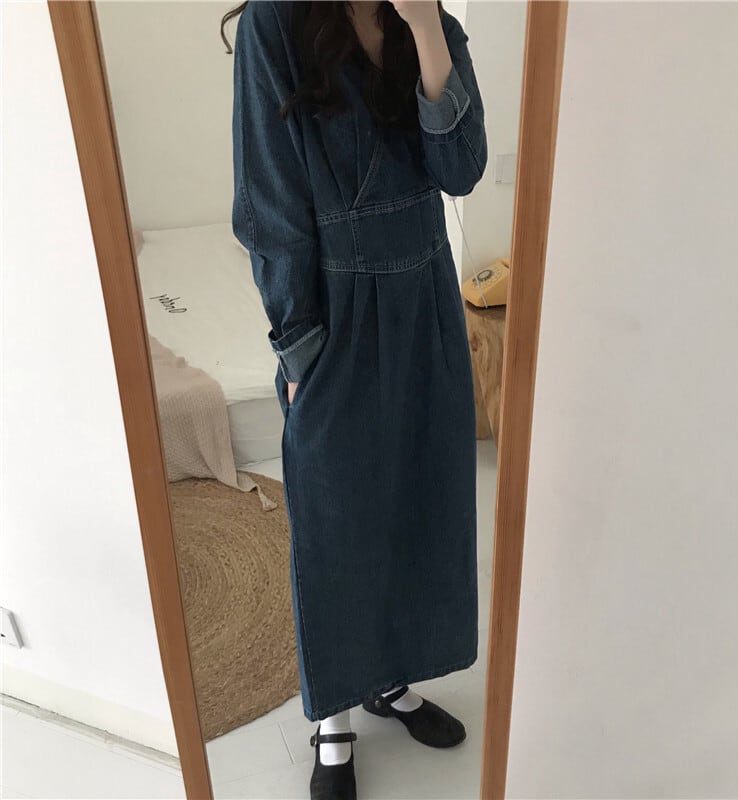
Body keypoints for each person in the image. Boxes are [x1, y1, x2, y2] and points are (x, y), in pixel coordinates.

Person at [227, 1, 487, 796]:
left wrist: (427, 29)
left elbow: (461, 170)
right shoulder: (276, 23)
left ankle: (390, 681)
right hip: (336, 312)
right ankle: (334, 718)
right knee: (337, 520)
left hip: (428, 298)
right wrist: (299, 343)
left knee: (421, 502)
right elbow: (269, 199)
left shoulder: (430, 22)